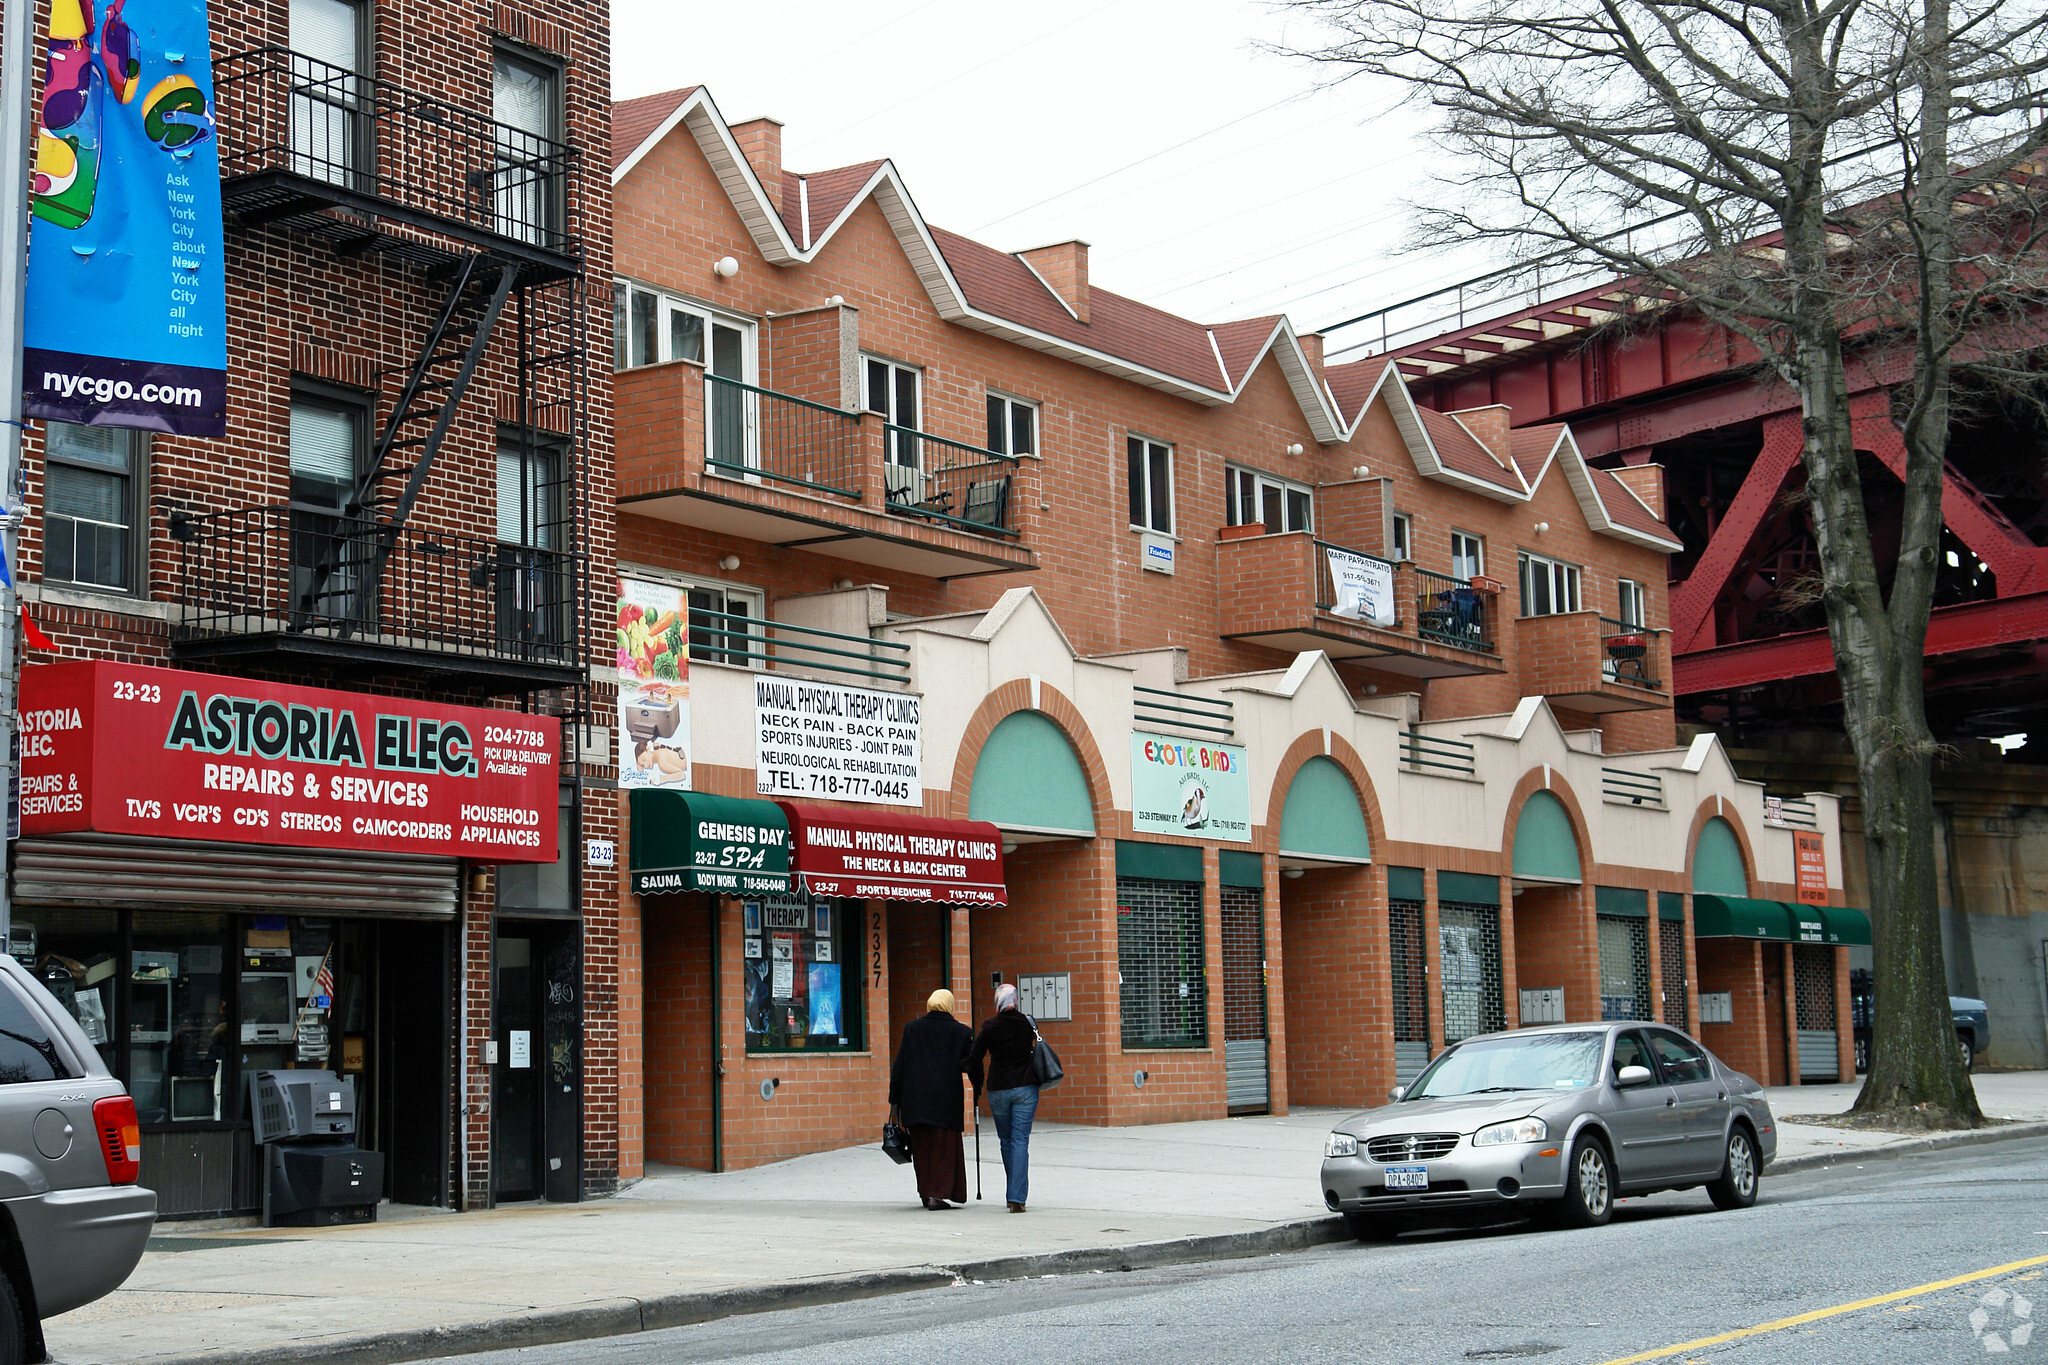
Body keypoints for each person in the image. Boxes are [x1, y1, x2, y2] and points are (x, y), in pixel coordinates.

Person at [888, 988, 974, 1210]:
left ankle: (926, 1193)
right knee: (944, 1149)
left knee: (922, 1148)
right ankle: (938, 1193)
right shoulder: (962, 1033)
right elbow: (971, 1065)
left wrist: (894, 1099)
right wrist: (980, 1089)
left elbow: (900, 1066)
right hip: (946, 1101)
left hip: (915, 1101)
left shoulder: (911, 1029)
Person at [968, 982, 1039, 1212]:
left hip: (998, 1089)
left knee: (1006, 1141)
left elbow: (973, 1059)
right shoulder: (1027, 1024)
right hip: (1025, 1088)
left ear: (997, 1002)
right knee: (1020, 1141)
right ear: (1015, 1000)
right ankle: (1016, 1197)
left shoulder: (989, 1026)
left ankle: (1013, 1193)